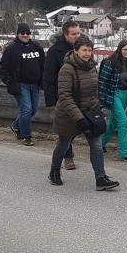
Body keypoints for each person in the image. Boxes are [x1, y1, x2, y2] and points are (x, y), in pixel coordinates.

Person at [48, 35, 119, 190]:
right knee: (64, 144)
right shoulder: (67, 69)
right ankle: (54, 171)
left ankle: (100, 178)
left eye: (89, 50)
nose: (87, 53)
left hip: (90, 113)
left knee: (97, 145)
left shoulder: (92, 67)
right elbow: (65, 97)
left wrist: (97, 109)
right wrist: (79, 118)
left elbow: (94, 92)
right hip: (68, 114)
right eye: (84, 50)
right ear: (76, 50)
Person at [0, 22, 45, 146]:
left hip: (35, 84)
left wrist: (43, 81)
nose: (25, 35)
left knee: (33, 109)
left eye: (27, 33)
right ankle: (26, 136)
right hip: (20, 85)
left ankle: (16, 125)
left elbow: (43, 65)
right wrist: (10, 82)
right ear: (18, 34)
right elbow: (3, 68)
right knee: (26, 109)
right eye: (22, 33)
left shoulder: (37, 47)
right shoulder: (11, 49)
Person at [43, 20, 82, 169]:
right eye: (73, 34)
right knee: (66, 127)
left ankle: (62, 146)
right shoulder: (55, 51)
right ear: (65, 35)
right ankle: (68, 157)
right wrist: (51, 99)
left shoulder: (82, 48)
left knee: (76, 126)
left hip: (80, 94)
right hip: (62, 95)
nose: (77, 36)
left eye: (78, 33)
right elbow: (48, 75)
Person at [98, 40, 127, 162]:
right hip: (114, 94)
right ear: (120, 49)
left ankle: (100, 144)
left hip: (126, 94)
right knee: (123, 122)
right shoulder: (110, 62)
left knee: (113, 122)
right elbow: (102, 81)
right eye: (125, 49)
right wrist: (101, 98)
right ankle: (125, 153)